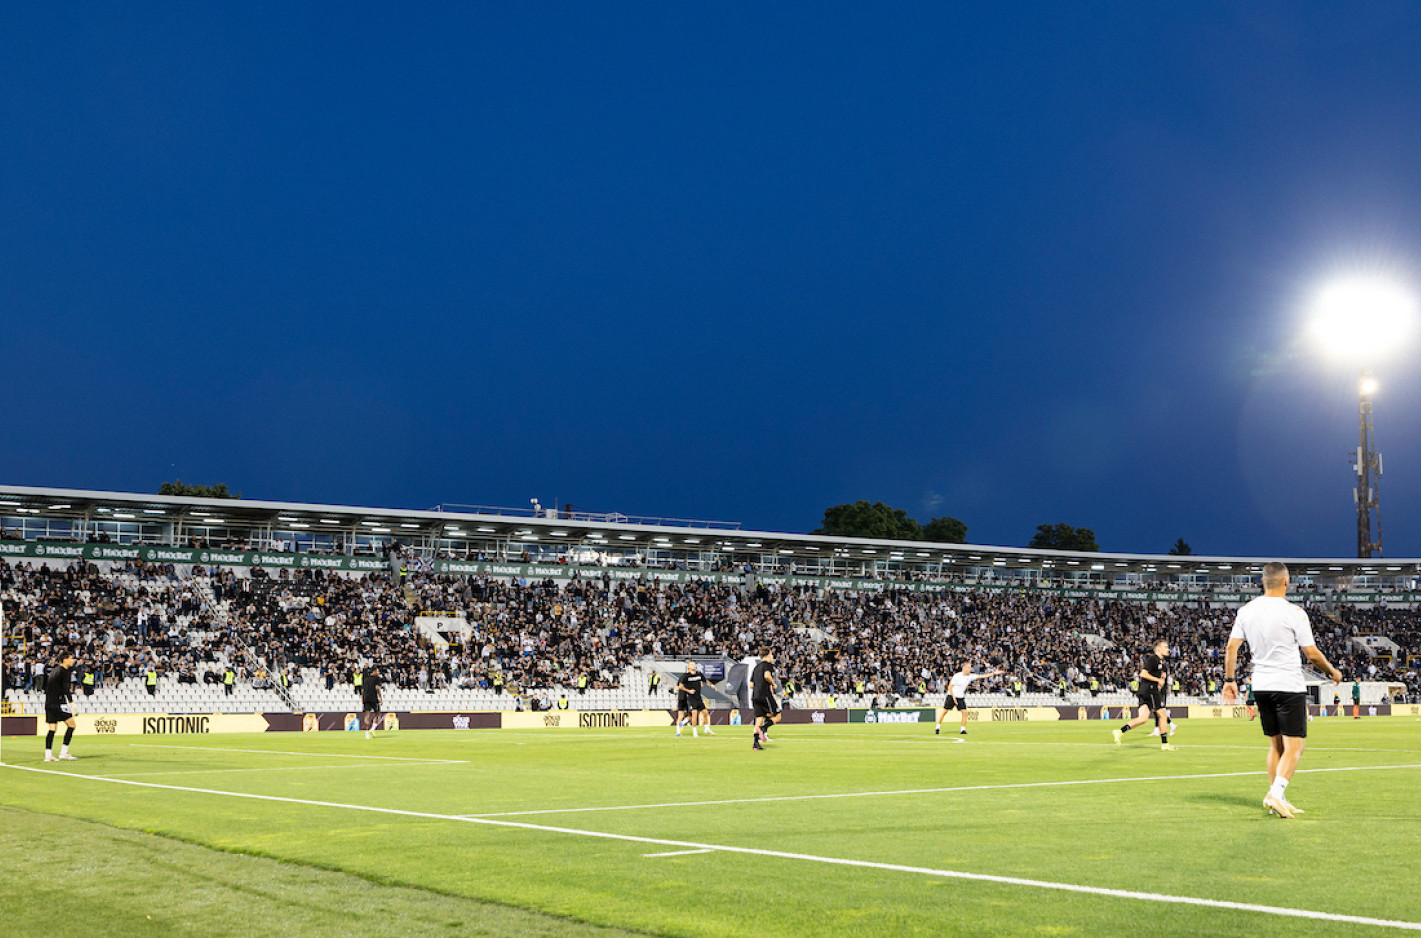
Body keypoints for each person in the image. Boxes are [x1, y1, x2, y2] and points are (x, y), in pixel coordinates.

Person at [1224, 562, 1343, 819]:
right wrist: (1332, 671)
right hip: (1288, 686)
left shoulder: (1246, 611)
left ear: (1263, 582)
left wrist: (1230, 679)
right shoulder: (1294, 613)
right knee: (1295, 747)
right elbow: (1311, 654)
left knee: (1275, 745)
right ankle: (1276, 793)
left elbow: (1232, 648)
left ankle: (1277, 797)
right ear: (1286, 582)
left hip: (1262, 686)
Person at [1113, 640, 1176, 750]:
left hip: (1145, 691)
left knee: (1143, 719)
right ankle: (1165, 744)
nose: (1167, 649)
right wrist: (1157, 681)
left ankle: (1119, 731)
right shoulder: (1153, 659)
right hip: (1150, 690)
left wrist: (1161, 682)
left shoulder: (1161, 662)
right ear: (1158, 649)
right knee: (1162, 715)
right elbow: (1143, 673)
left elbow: (1160, 677)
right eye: (1165, 647)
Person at [935, 662, 1003, 737]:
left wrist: (993, 673)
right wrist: (953, 697)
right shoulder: (957, 676)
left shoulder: (970, 676)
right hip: (951, 696)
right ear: (964, 668)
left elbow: (982, 676)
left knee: (964, 712)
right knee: (944, 711)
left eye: (970, 667)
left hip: (960, 697)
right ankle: (937, 727)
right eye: (969, 667)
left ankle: (963, 730)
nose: (970, 669)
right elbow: (950, 687)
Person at [44, 651, 79, 762]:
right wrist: (72, 704)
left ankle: (48, 755)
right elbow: (65, 689)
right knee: (72, 725)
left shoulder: (55, 670)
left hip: (49, 703)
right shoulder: (64, 672)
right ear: (65, 659)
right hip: (57, 703)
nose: (73, 660)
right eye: (71, 658)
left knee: (52, 729)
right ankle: (63, 752)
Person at [750, 648, 781, 750]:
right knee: (777, 716)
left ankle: (755, 744)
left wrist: (758, 686)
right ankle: (763, 729)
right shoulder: (768, 665)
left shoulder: (756, 667)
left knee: (759, 718)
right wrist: (773, 684)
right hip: (765, 695)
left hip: (755, 696)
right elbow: (767, 676)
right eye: (771, 654)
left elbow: (751, 684)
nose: (772, 656)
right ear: (768, 655)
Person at [675, 661, 712, 738]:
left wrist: (711, 685)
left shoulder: (698, 675)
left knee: (702, 713)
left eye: (694, 664)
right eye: (692, 665)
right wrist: (688, 690)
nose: (694, 666)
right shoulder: (684, 676)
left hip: (694, 697)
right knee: (688, 714)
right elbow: (678, 687)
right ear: (688, 667)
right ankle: (680, 730)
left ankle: (705, 728)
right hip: (685, 698)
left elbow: (702, 683)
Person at [362, 665, 383, 739]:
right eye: (377, 671)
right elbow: (377, 688)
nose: (378, 672)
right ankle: (372, 728)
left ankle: (367, 733)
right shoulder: (376, 678)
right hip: (373, 698)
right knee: (378, 714)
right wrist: (380, 698)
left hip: (366, 698)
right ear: (374, 672)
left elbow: (363, 690)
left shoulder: (365, 679)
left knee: (367, 716)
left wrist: (363, 699)